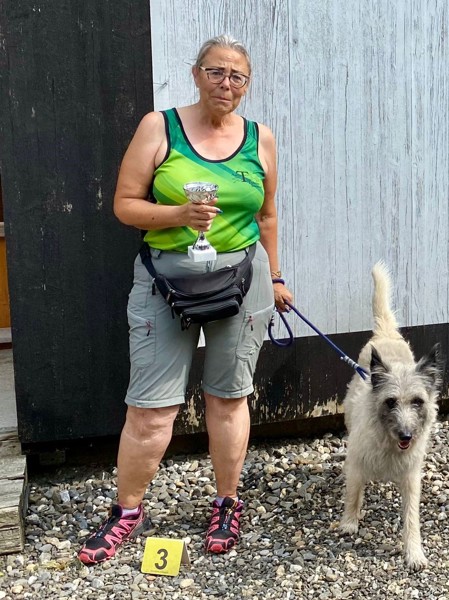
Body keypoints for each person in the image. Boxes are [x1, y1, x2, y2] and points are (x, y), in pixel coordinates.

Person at [78, 34, 293, 564]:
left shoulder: (261, 138)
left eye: (238, 76)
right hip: (165, 279)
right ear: (196, 74)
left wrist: (277, 277)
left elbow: (266, 215)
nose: (226, 83)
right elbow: (125, 205)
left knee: (229, 397)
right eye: (216, 71)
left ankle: (227, 502)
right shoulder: (160, 127)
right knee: (151, 410)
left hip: (244, 279)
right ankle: (127, 510)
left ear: (247, 85)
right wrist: (179, 215)